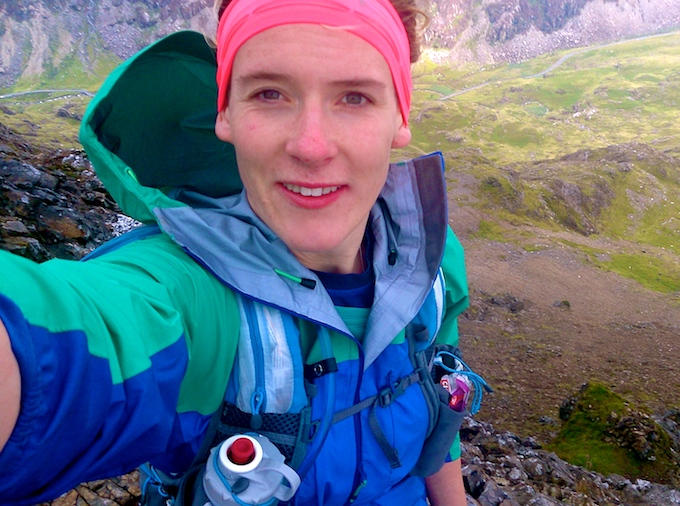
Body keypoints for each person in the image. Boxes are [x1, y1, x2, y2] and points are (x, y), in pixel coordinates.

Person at [0, 0, 476, 504]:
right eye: (269, 93)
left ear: (400, 116)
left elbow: (439, 405)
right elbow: (69, 345)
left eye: (355, 97)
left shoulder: (431, 262)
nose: (311, 146)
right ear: (223, 111)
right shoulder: (190, 295)